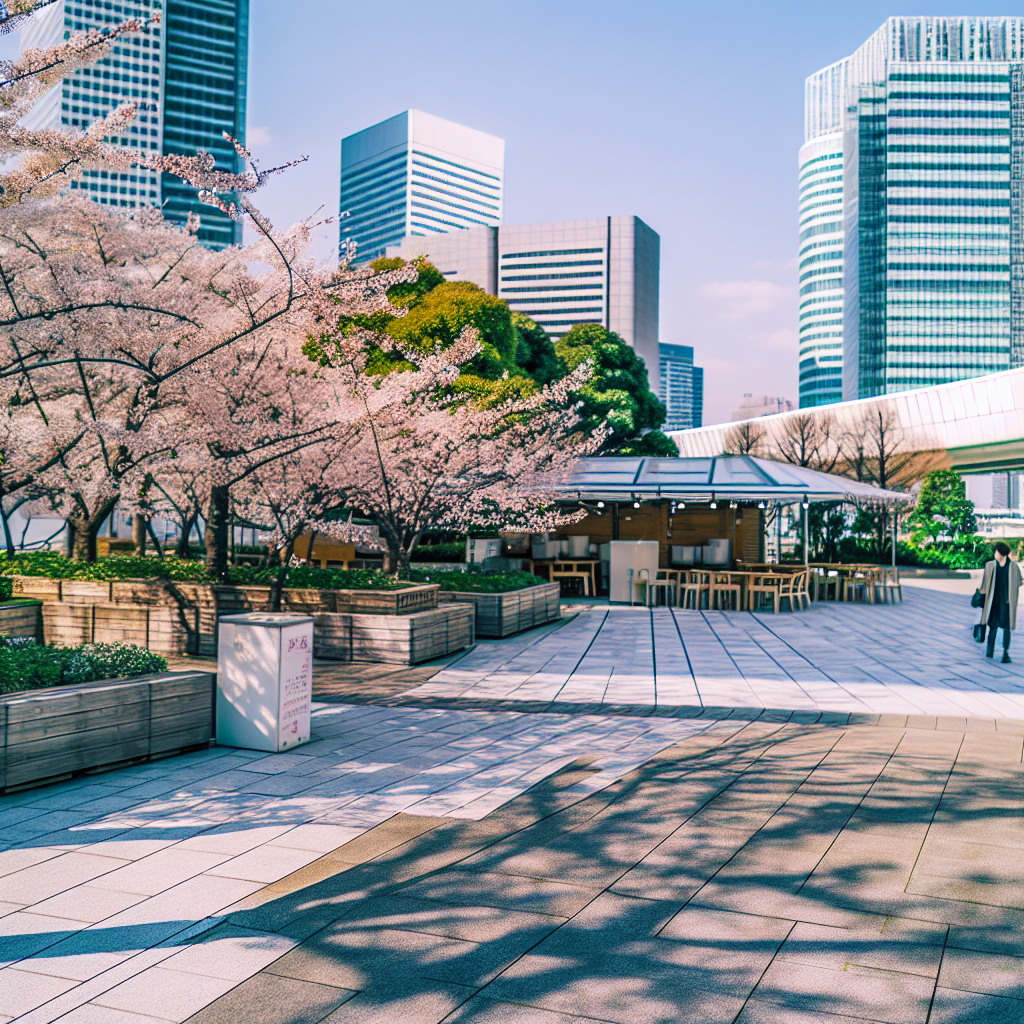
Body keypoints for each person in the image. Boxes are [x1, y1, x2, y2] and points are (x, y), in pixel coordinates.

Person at [980, 541, 1022, 664]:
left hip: (1006, 603)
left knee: (1006, 628)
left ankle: (1005, 652)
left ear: (999, 553)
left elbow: (1019, 581)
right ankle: (990, 650)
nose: (994, 554)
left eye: (996, 551)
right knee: (992, 626)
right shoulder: (991, 565)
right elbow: (984, 585)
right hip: (993, 602)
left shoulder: (1013, 567)